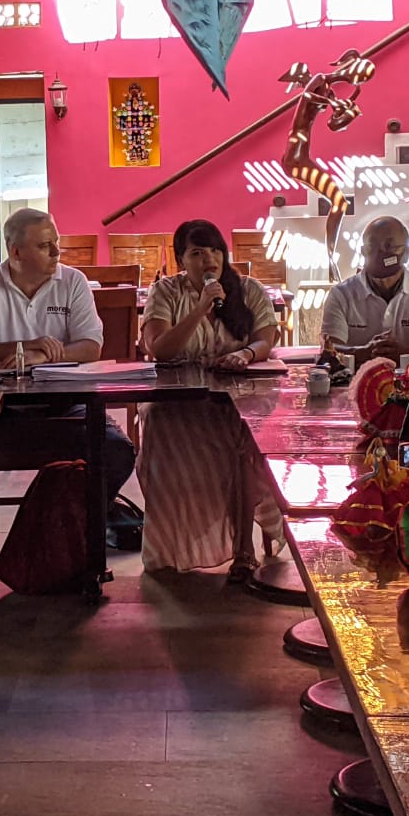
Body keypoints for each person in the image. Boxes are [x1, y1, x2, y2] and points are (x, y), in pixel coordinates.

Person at [0, 208, 135, 563]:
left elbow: (91, 346)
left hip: (64, 405)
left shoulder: (73, 281)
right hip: (0, 412)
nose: (56, 253)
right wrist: (23, 347)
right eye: (45, 246)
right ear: (16, 252)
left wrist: (44, 356)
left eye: (56, 243)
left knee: (117, 451)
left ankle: (64, 525)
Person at [138, 218, 284, 580]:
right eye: (197, 253)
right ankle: (175, 542)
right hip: (179, 401)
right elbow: (160, 350)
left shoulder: (248, 289)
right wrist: (200, 308)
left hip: (239, 397)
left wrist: (246, 354)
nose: (209, 260)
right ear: (180, 260)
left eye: (216, 250)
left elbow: (266, 338)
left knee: (243, 436)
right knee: (157, 422)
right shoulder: (166, 292)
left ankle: (244, 551)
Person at [321, 217, 409, 364]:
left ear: (407, 253)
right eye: (371, 246)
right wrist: (365, 352)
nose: (379, 253)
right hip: (357, 378)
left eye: (389, 246)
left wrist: (398, 354)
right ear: (362, 251)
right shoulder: (341, 294)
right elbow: (329, 350)